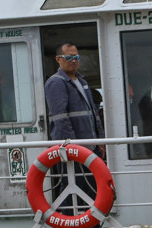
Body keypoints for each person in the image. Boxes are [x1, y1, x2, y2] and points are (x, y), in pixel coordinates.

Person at [44, 43, 105, 214]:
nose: (73, 61)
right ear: (58, 59)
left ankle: (90, 223)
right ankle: (70, 223)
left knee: (91, 187)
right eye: (69, 57)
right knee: (72, 186)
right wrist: (71, 146)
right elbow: (60, 118)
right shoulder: (56, 83)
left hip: (91, 147)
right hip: (74, 148)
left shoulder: (82, 81)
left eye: (76, 57)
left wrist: (100, 141)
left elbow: (94, 114)